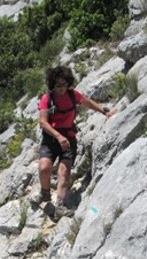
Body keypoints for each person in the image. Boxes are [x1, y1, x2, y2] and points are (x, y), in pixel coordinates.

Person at [29, 66, 117, 218]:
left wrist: (104, 111)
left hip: (68, 137)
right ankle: (45, 193)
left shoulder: (72, 95)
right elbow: (43, 122)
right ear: (52, 85)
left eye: (64, 84)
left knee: (64, 171)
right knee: (44, 167)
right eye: (58, 85)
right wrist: (58, 136)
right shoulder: (47, 99)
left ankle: (60, 205)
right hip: (51, 138)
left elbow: (87, 102)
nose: (61, 88)